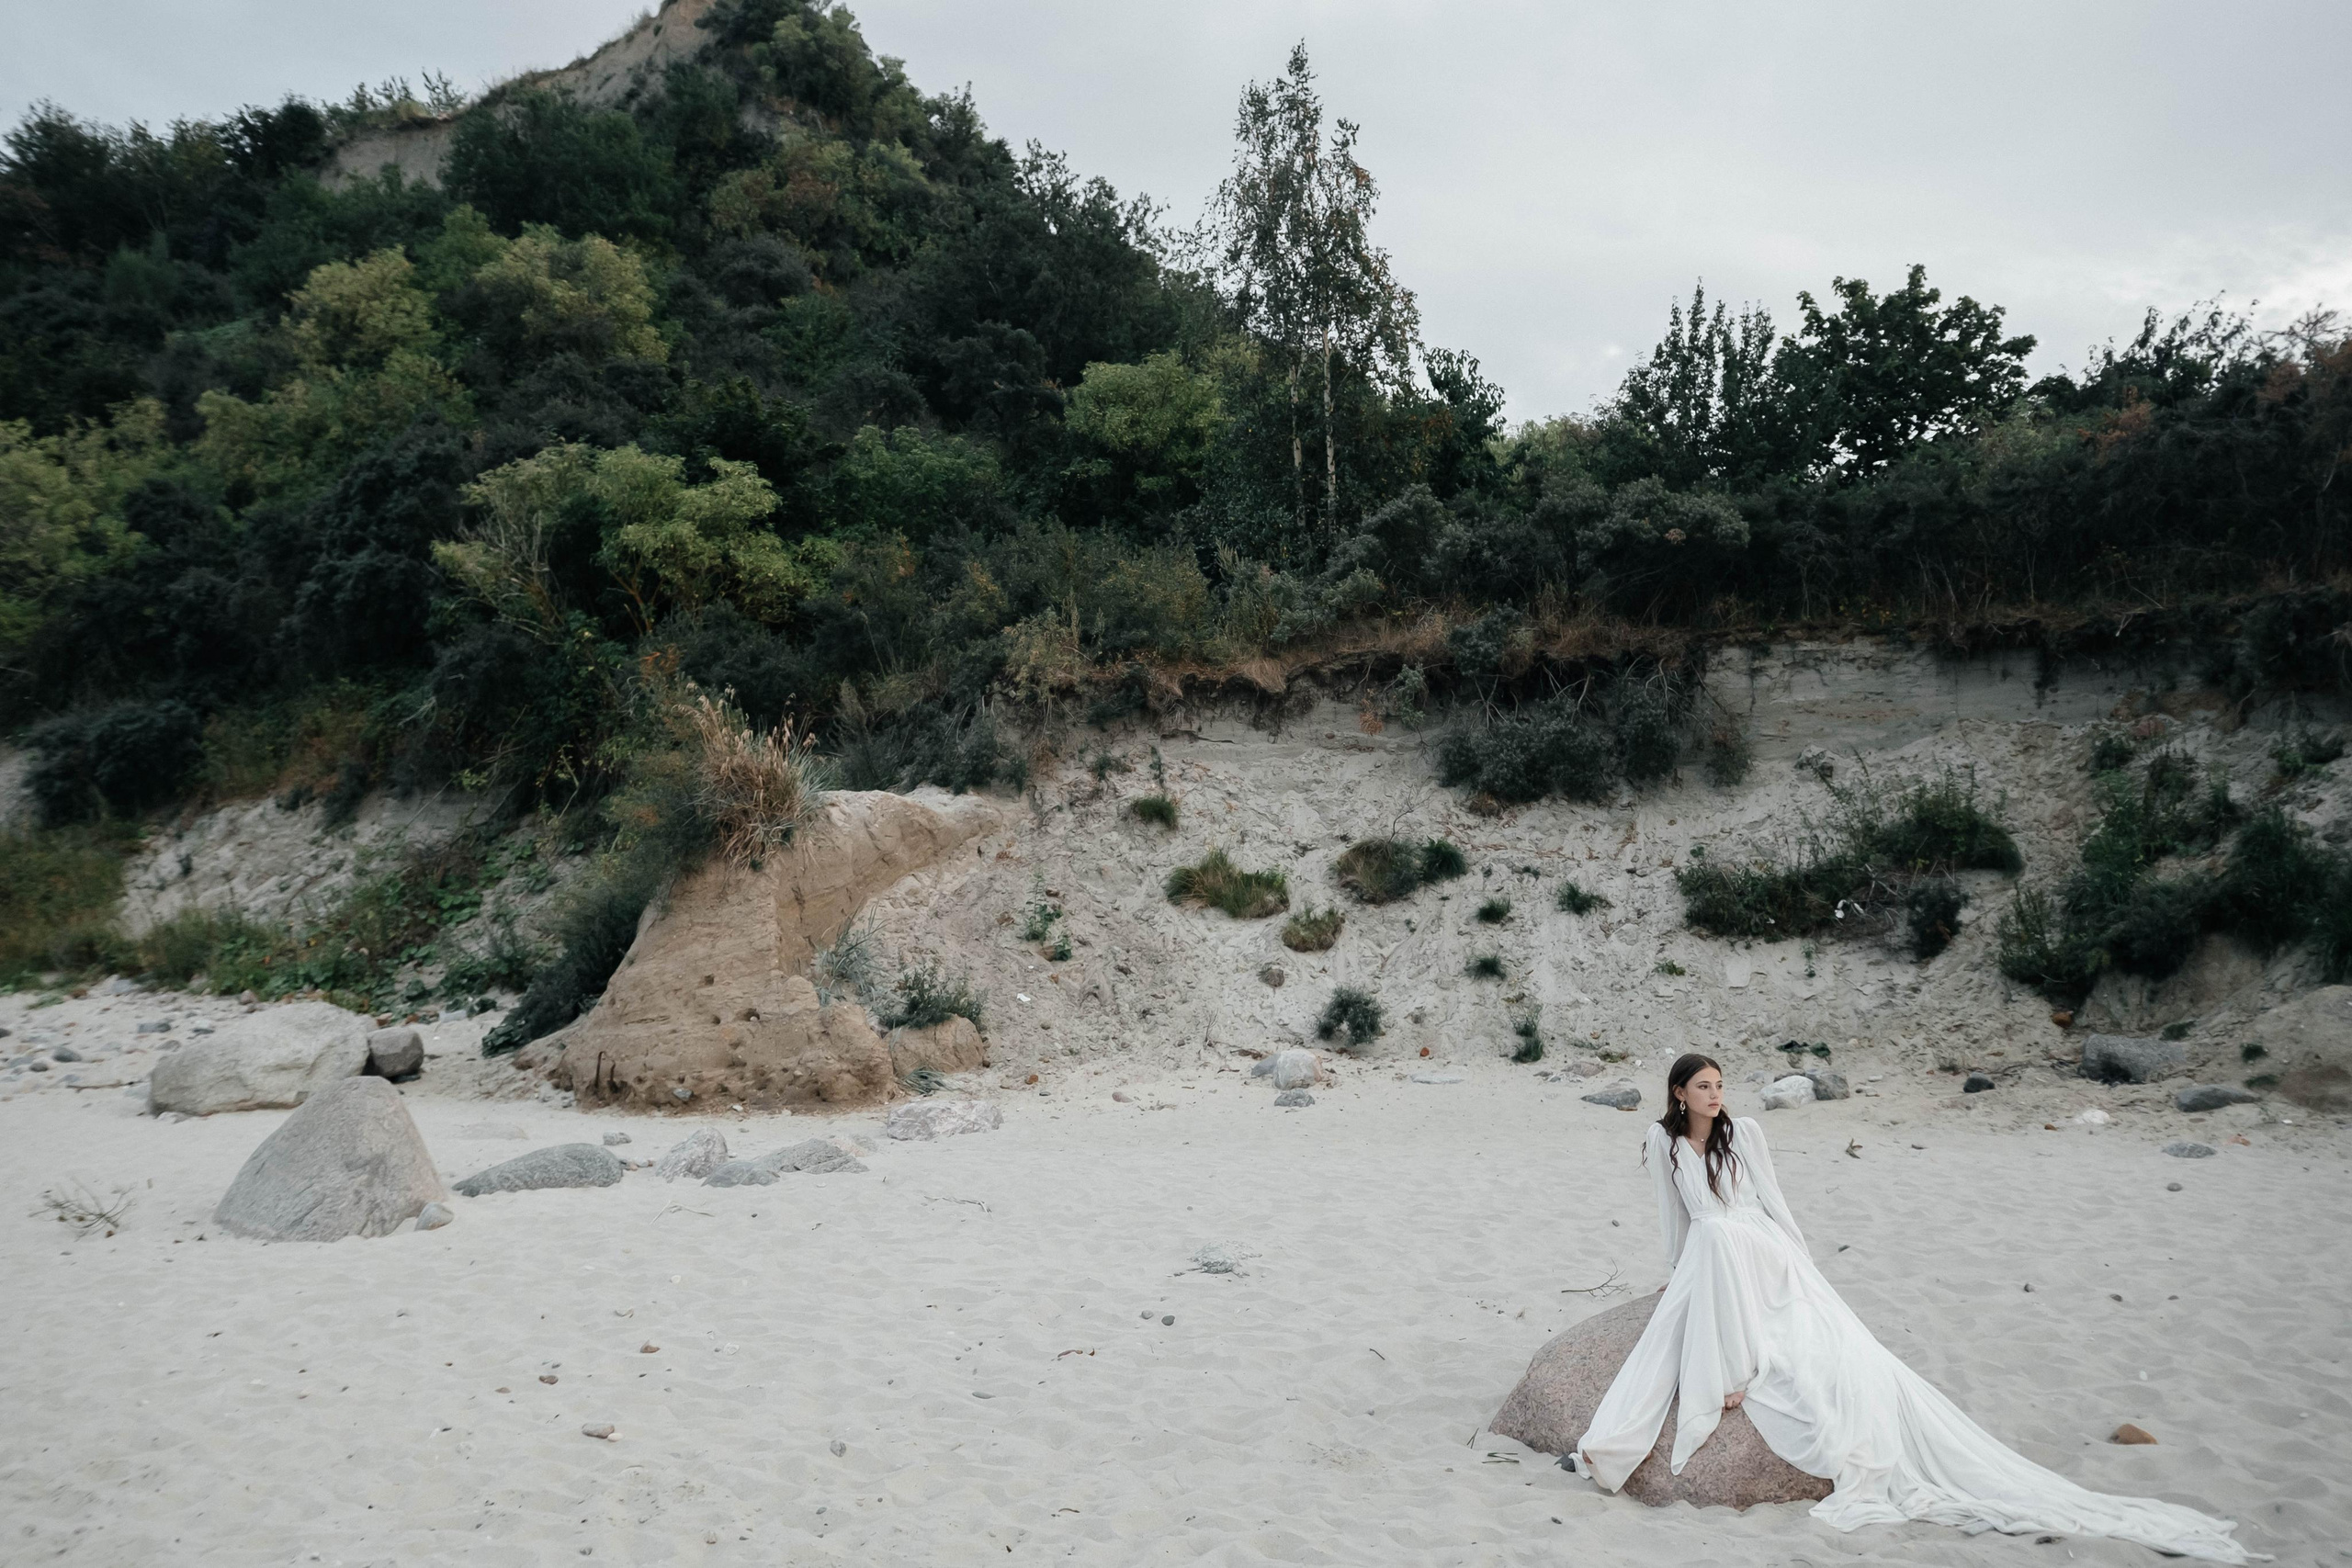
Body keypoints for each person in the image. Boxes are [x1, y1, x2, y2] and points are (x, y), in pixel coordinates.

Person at [1569, 1053, 2257, 1563]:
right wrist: (1673, 1273)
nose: (1716, 1096)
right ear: (1677, 1092)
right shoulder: (1663, 1142)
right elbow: (1676, 1221)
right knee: (1709, 1243)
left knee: (1732, 1242)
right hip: (1717, 1249)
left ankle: (1736, 1372)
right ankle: (1716, 1380)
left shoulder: (1744, 1131)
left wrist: (1803, 1262)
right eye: (1703, 1087)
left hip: (1761, 1248)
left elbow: (1776, 1204)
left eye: (1720, 1084)